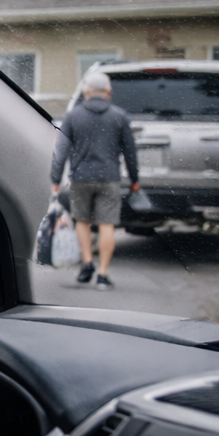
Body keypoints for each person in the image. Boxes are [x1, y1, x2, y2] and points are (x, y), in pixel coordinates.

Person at [50, 69, 140, 289]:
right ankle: (102, 275)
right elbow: (130, 151)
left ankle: (87, 263)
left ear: (86, 91)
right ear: (108, 91)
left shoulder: (72, 116)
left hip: (80, 178)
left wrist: (55, 178)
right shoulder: (119, 116)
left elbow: (60, 151)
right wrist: (135, 179)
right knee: (107, 224)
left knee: (82, 221)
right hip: (109, 178)